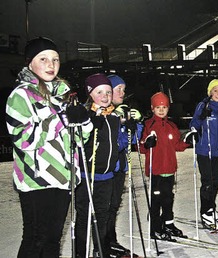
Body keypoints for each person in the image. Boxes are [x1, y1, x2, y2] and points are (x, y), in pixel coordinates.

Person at [6, 36, 92, 258]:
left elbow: (78, 140)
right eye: (43, 59)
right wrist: (59, 118)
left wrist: (82, 121)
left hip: (63, 177)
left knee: (53, 240)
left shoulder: (63, 95)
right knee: (36, 238)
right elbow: (23, 138)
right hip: (36, 180)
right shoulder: (21, 95)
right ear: (30, 63)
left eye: (55, 59)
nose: (51, 65)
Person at [75, 73, 120, 258]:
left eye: (108, 92)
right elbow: (77, 142)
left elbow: (118, 143)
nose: (105, 96)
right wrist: (90, 122)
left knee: (103, 216)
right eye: (99, 91)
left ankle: (101, 250)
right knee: (85, 217)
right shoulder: (85, 115)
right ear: (90, 94)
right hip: (88, 176)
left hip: (107, 177)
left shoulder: (114, 117)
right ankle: (80, 253)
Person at [139, 92, 191, 241]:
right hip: (155, 170)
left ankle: (169, 224)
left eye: (164, 107)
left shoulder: (171, 126)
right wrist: (146, 144)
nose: (161, 110)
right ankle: (155, 228)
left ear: (168, 108)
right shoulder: (148, 126)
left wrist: (188, 142)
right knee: (156, 201)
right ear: (152, 108)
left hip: (169, 170)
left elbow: (177, 145)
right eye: (158, 107)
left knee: (168, 199)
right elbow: (142, 147)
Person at [105, 74, 143, 257]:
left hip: (119, 168)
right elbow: (116, 143)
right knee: (105, 207)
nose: (122, 92)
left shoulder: (122, 111)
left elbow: (135, 139)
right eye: (118, 89)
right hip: (107, 169)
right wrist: (123, 126)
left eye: (123, 89)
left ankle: (110, 240)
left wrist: (136, 124)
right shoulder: (107, 114)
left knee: (113, 206)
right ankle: (104, 243)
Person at [189, 79, 218, 228]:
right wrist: (201, 117)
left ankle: (211, 208)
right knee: (208, 182)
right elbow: (194, 124)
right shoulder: (203, 105)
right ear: (210, 92)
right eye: (216, 91)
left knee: (216, 181)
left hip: (216, 151)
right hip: (204, 150)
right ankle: (205, 212)